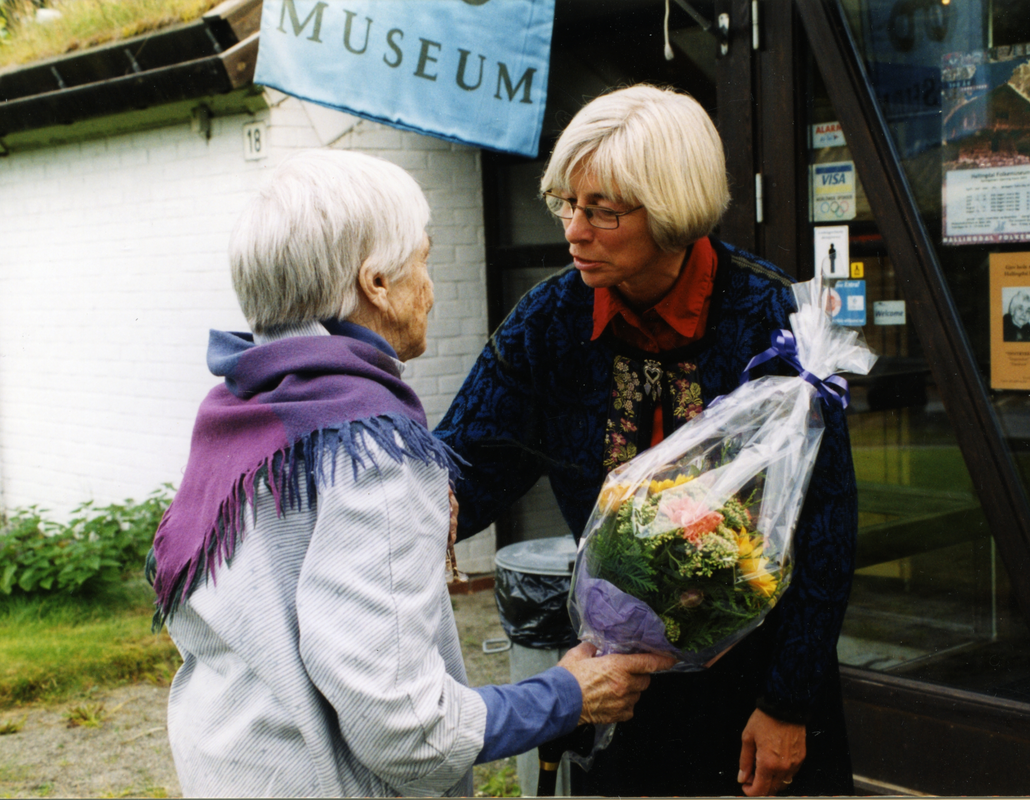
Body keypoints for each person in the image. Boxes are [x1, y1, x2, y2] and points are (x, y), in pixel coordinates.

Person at [146, 149, 673, 798]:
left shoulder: (243, 408)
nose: (431, 288)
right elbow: (406, 730)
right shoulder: (371, 455)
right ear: (376, 284)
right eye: (423, 260)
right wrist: (566, 695)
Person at [435, 85, 857, 797]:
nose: (574, 230)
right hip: (617, 683)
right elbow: (467, 462)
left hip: (758, 683)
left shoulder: (773, 318)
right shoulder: (551, 322)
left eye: (602, 209)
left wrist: (789, 704)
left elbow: (825, 526)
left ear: (669, 207)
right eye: (566, 203)